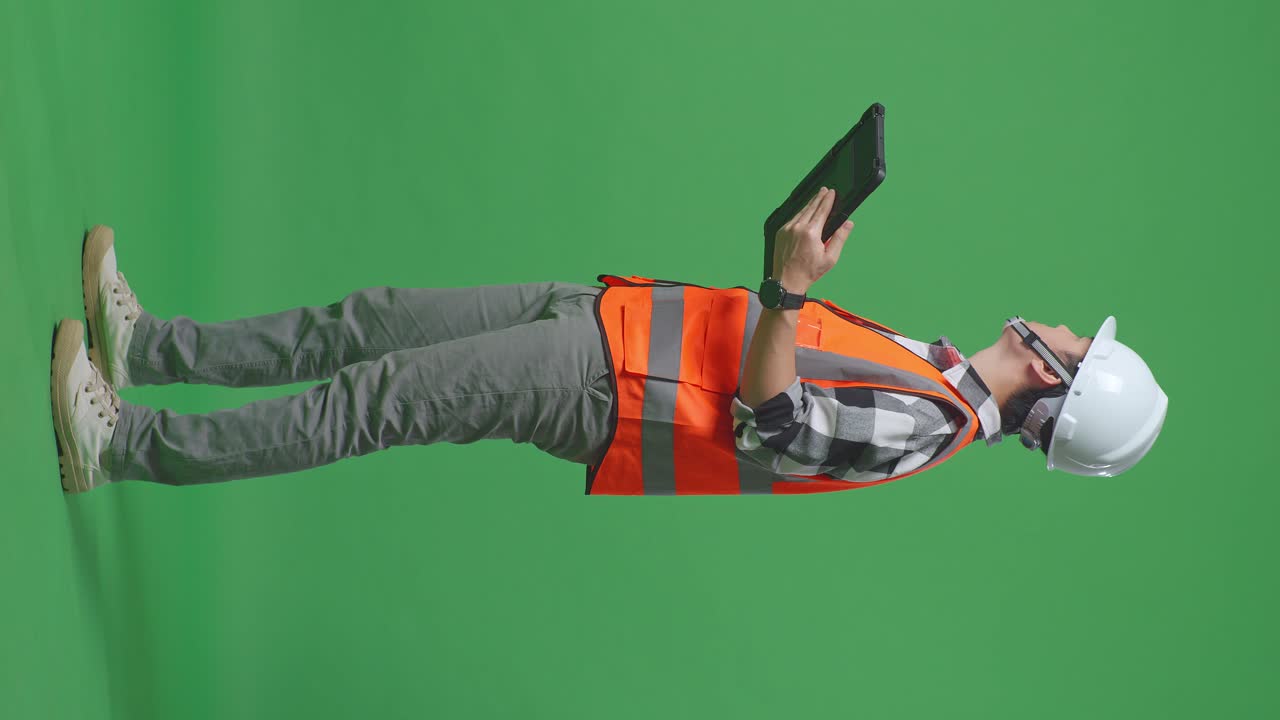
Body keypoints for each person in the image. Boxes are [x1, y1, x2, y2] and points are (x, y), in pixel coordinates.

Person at [51, 189, 1167, 495]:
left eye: (1079, 337)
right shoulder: (932, 370)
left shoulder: (927, 423)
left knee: (369, 398)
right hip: (609, 324)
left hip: (606, 388)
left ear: (1061, 378)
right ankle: (154, 351)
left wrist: (784, 292)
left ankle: (125, 443)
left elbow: (776, 425)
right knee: (374, 320)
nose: (1064, 321)